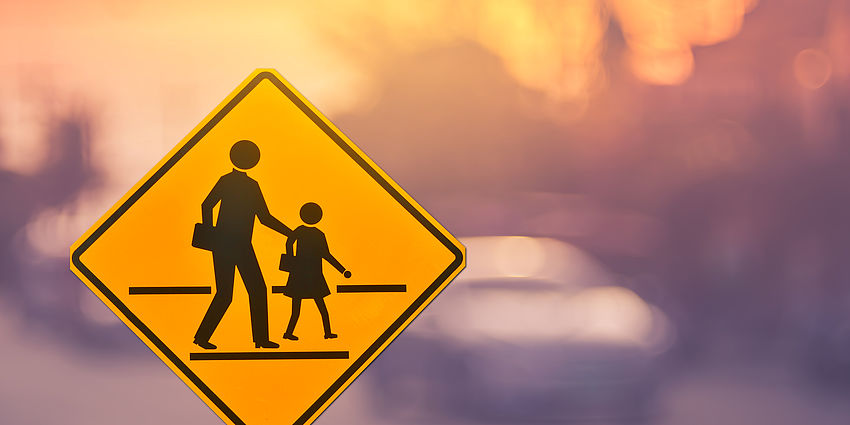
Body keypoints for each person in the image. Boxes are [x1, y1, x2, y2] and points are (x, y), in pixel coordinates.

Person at [193, 140, 291, 350]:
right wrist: (289, 233)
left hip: (230, 245)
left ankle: (257, 340)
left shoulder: (230, 182)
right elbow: (265, 218)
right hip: (235, 245)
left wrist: (213, 234)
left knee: (237, 292)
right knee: (246, 291)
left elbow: (207, 205)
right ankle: (257, 340)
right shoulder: (248, 185)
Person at [281, 202, 351, 340]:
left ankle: (293, 333)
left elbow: (289, 242)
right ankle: (323, 333)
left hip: (303, 274)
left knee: (300, 307)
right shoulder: (318, 234)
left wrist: (292, 259)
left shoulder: (301, 231)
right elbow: (326, 255)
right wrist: (342, 270)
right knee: (317, 306)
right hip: (310, 274)